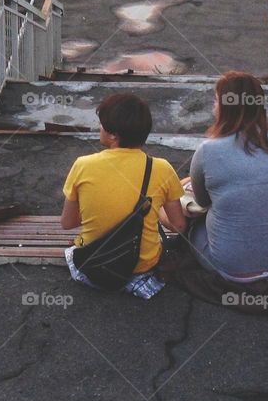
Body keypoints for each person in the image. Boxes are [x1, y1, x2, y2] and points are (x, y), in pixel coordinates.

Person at [60, 92, 186, 299]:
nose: (99, 129)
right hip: (143, 266)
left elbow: (67, 223)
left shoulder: (83, 165)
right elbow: (179, 226)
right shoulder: (162, 168)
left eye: (101, 125)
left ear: (113, 135)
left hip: (95, 265)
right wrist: (157, 212)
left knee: (75, 251)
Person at [184, 71, 268, 282]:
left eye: (216, 101)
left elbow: (202, 202)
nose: (214, 107)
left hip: (233, 269)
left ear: (225, 106)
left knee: (192, 224)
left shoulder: (207, 151)